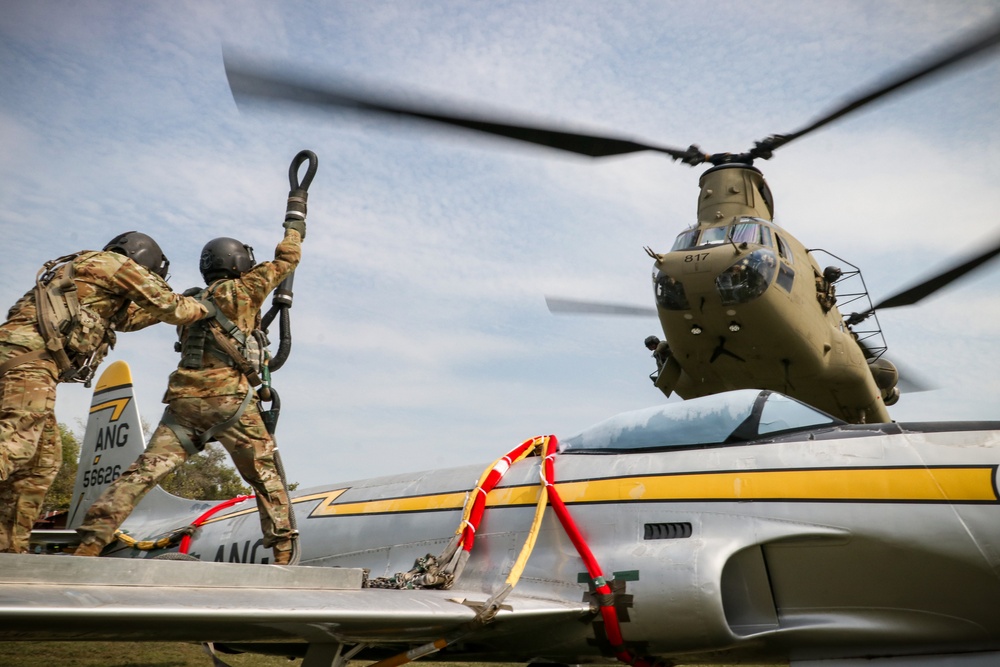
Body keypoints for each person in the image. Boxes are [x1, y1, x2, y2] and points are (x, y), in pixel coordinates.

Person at [75, 215, 305, 564]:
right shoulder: (246, 289)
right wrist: (294, 222)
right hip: (232, 402)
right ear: (239, 262)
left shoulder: (189, 299)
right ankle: (285, 552)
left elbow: (133, 318)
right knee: (266, 477)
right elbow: (288, 259)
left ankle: (89, 543)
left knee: (142, 473)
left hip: (184, 406)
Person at [0, 232, 211, 553]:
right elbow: (175, 309)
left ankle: (8, 554)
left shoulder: (89, 269)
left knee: (40, 464)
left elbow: (126, 319)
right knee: (15, 443)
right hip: (30, 362)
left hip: (26, 362)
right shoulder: (118, 266)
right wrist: (208, 304)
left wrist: (186, 299)